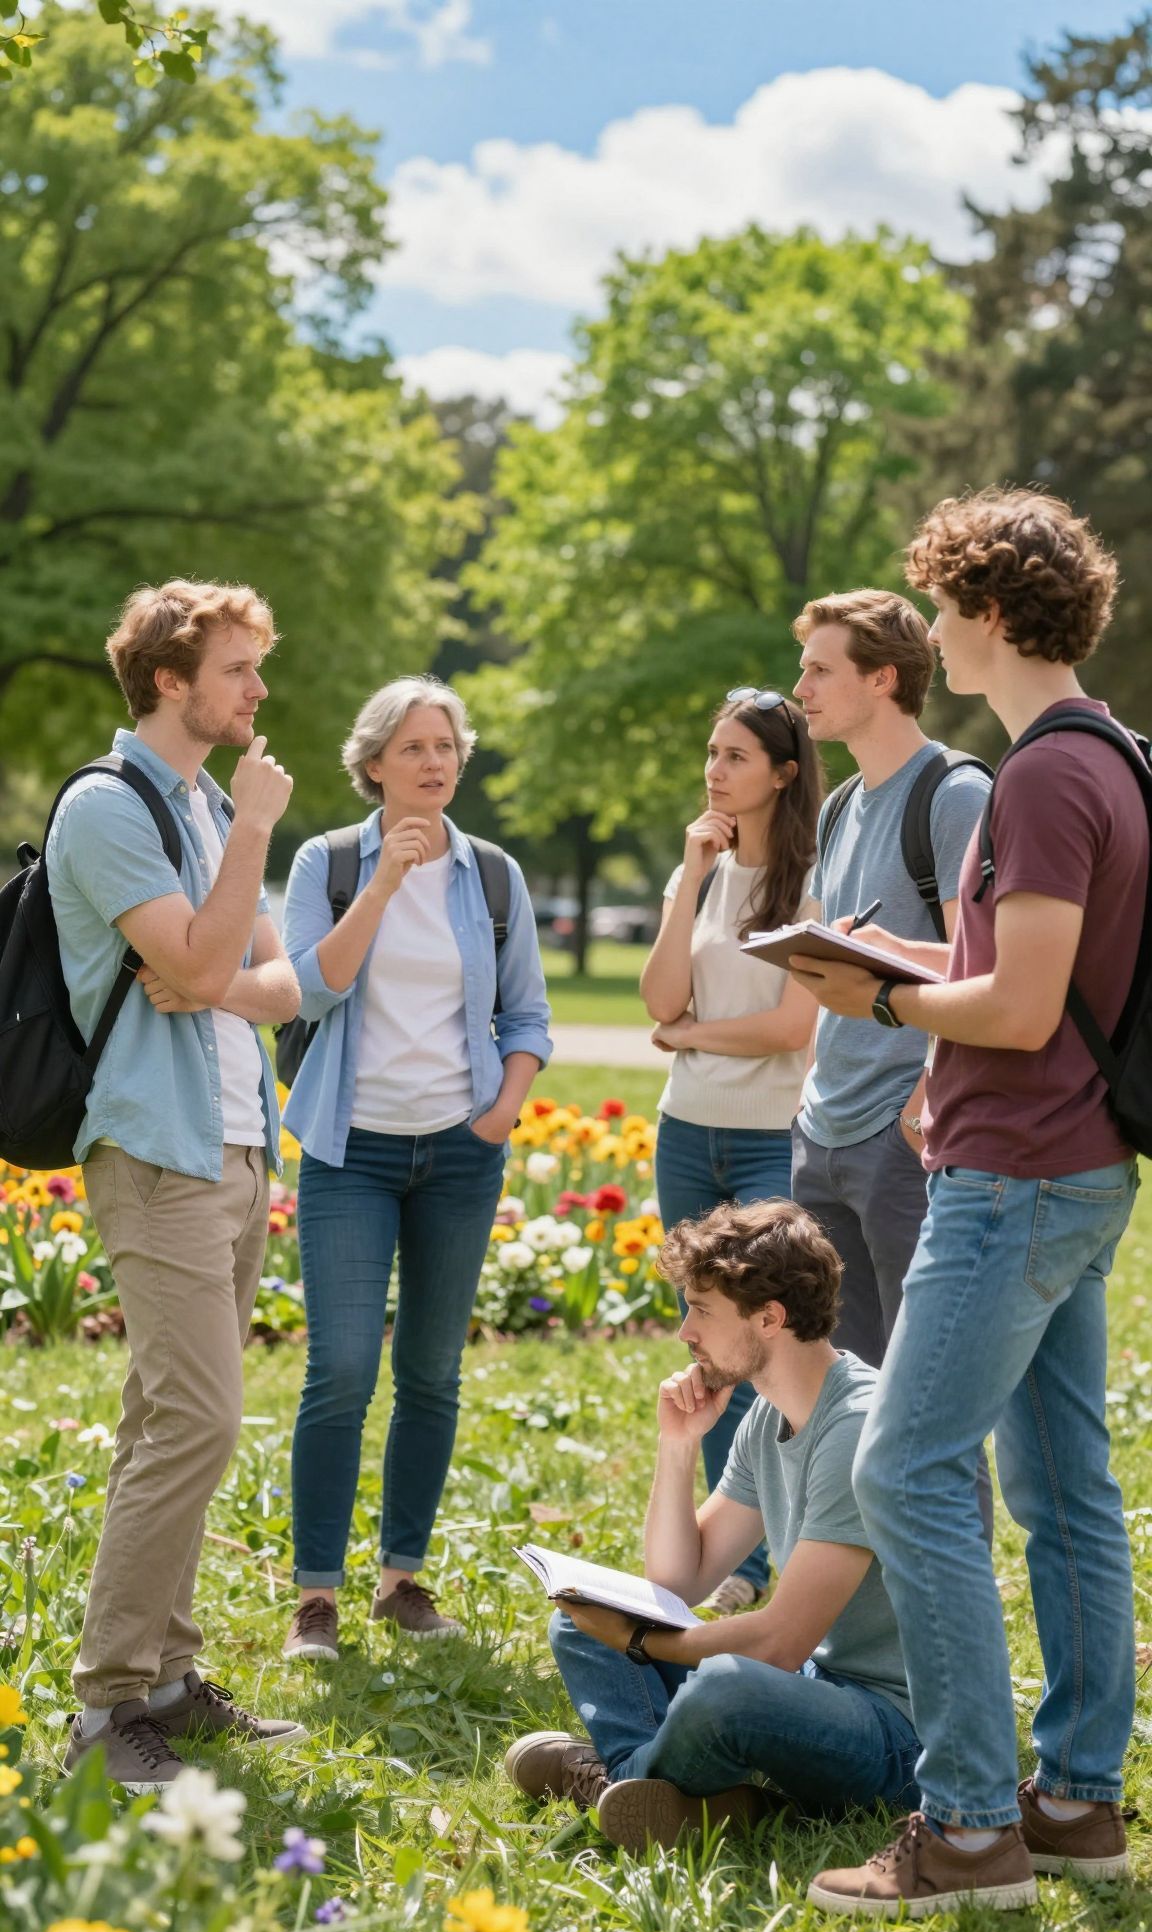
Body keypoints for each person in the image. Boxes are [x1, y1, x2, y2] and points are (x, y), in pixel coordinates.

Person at [791, 489, 1147, 1915]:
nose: (933, 630)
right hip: (1071, 1168)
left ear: (992, 613)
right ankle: (1075, 1803)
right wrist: (917, 963)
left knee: (904, 1469)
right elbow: (1022, 975)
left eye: (942, 605)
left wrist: (877, 990)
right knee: (1064, 1488)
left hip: (1017, 1179)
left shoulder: (1046, 776)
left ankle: (968, 1828)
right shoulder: (1107, 754)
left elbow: (1021, 1003)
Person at [53, 579, 305, 1795]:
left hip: (235, 1141)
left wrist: (218, 975)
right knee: (198, 1420)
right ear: (170, 678)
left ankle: (163, 1677)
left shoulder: (204, 804)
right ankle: (107, 1713)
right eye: (239, 669)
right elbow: (211, 955)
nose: (259, 691)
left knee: (171, 1420)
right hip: (155, 1147)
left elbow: (272, 981)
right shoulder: (111, 810)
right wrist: (251, 839)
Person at [504, 1200, 918, 1853]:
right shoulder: (768, 1416)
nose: (684, 1333)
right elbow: (678, 1578)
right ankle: (708, 1802)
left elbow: (780, 1643)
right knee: (579, 1619)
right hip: (808, 1688)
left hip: (892, 1735)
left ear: (770, 1318)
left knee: (727, 1688)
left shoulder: (857, 1425)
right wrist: (678, 1445)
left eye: (701, 1309)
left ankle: (619, 1784)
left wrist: (642, 1640)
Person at [279, 676, 552, 1659]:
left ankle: (402, 1576)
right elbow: (310, 986)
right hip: (350, 1153)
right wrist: (387, 882)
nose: (436, 762)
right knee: (341, 1368)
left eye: (447, 745)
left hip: (459, 1152)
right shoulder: (330, 862)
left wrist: (503, 1109)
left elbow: (526, 1011)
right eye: (414, 747)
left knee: (431, 1370)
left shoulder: (492, 874)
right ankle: (316, 1593)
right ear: (374, 765)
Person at [640, 689, 822, 1616]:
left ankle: (785, 1542)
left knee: (768, 1345)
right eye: (712, 752)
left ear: (784, 773)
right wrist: (691, 877)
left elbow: (794, 1027)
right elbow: (660, 997)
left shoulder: (812, 879)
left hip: (770, 1133)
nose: (715, 770)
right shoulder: (701, 872)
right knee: (712, 1345)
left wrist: (692, 1036)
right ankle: (731, 1562)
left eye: (737, 756)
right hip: (688, 1131)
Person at [789, 591, 990, 1368]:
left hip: (905, 1138)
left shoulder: (956, 796)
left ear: (881, 679)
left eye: (819, 670)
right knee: (843, 1392)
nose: (800, 688)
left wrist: (919, 1108)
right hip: (825, 1133)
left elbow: (988, 968)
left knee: (927, 1396)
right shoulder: (838, 807)